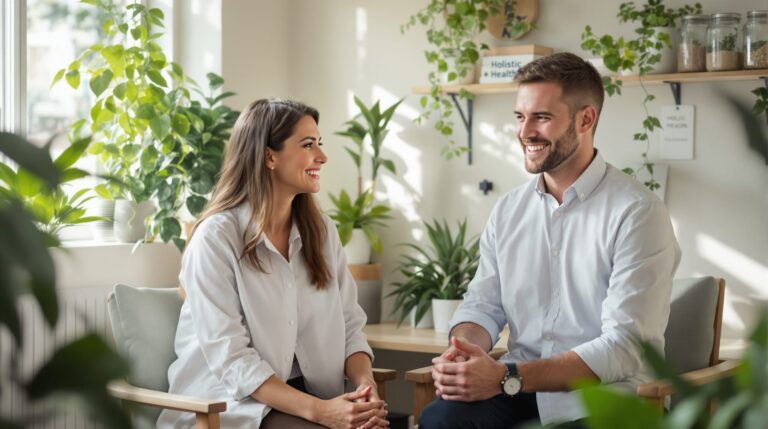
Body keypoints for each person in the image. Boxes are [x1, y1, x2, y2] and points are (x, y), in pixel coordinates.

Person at [418, 52, 681, 428]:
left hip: (604, 398)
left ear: (585, 119)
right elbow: (483, 305)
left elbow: (623, 347)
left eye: (541, 117)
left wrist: (506, 376)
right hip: (515, 390)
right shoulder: (509, 210)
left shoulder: (637, 212)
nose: (525, 131)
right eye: (520, 117)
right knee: (441, 418)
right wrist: (463, 351)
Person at [157, 99, 389, 429]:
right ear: (269, 156)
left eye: (319, 144)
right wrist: (322, 412)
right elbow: (232, 359)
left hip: (306, 397)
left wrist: (366, 385)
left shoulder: (322, 233)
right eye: (308, 145)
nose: (321, 157)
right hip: (228, 403)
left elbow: (350, 324)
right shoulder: (215, 239)